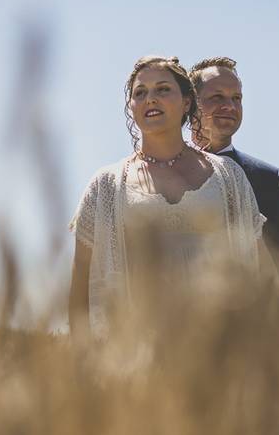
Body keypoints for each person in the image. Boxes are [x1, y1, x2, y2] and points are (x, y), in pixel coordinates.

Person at [69, 55, 267, 340]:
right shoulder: (105, 185)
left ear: (187, 102)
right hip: (136, 355)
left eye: (163, 89)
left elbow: (262, 271)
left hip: (219, 347)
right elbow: (80, 289)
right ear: (131, 107)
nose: (151, 98)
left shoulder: (228, 176)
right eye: (140, 93)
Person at [189, 57, 279, 312]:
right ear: (189, 104)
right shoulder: (158, 173)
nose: (229, 106)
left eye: (237, 98)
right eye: (217, 97)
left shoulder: (266, 178)